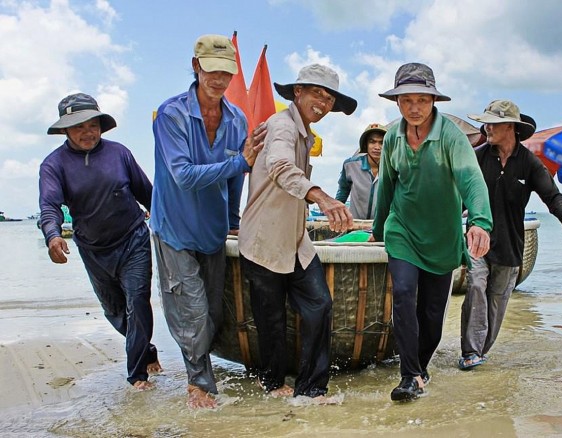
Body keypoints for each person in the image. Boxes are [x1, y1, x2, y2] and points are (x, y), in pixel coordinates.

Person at [149, 34, 266, 409]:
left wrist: (233, 220)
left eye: (226, 73)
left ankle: (200, 368)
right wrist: (239, 162)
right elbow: (183, 174)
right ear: (196, 65)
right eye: (212, 70)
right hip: (174, 228)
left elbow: (236, 179)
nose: (219, 80)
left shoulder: (236, 120)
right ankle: (199, 384)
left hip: (213, 230)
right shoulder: (172, 115)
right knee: (191, 308)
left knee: (214, 312)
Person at [372, 63, 493, 402]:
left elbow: (471, 178)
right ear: (396, 102)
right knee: (404, 294)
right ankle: (409, 375)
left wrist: (480, 222)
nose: (414, 108)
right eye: (406, 100)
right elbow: (386, 188)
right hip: (403, 230)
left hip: (442, 236)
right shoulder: (393, 135)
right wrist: (380, 229)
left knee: (432, 314)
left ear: (433, 100)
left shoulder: (451, 136)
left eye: (421, 100)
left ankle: (420, 367)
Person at [238, 64, 357, 403]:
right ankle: (274, 385)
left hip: (295, 241)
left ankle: (312, 389)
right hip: (263, 240)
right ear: (297, 92)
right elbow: (278, 166)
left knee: (320, 305)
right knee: (271, 320)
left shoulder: (306, 135)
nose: (323, 101)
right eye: (316, 92)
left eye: (329, 96)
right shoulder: (281, 126)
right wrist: (322, 197)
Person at [39, 93, 161, 391]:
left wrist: (172, 224)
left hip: (133, 239)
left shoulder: (119, 153)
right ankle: (147, 350)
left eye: (92, 125)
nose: (87, 132)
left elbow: (148, 194)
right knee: (115, 312)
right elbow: (49, 206)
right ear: (65, 130)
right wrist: (53, 235)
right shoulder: (53, 165)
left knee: (138, 302)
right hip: (94, 250)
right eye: (79, 126)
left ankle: (137, 377)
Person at [459, 100, 562, 370]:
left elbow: (552, 196)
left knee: (497, 300)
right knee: (476, 286)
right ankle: (470, 351)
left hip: (510, 242)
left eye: (492, 123)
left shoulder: (529, 163)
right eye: (486, 122)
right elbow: (459, 198)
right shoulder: (477, 157)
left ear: (511, 127)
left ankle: (481, 351)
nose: (487, 127)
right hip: (477, 241)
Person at [335, 123, 387, 219]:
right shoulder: (350, 165)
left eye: (382, 143)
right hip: (355, 224)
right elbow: (343, 191)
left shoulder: (393, 167)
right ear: (365, 144)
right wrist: (336, 213)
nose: (377, 147)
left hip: (381, 227)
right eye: (372, 142)